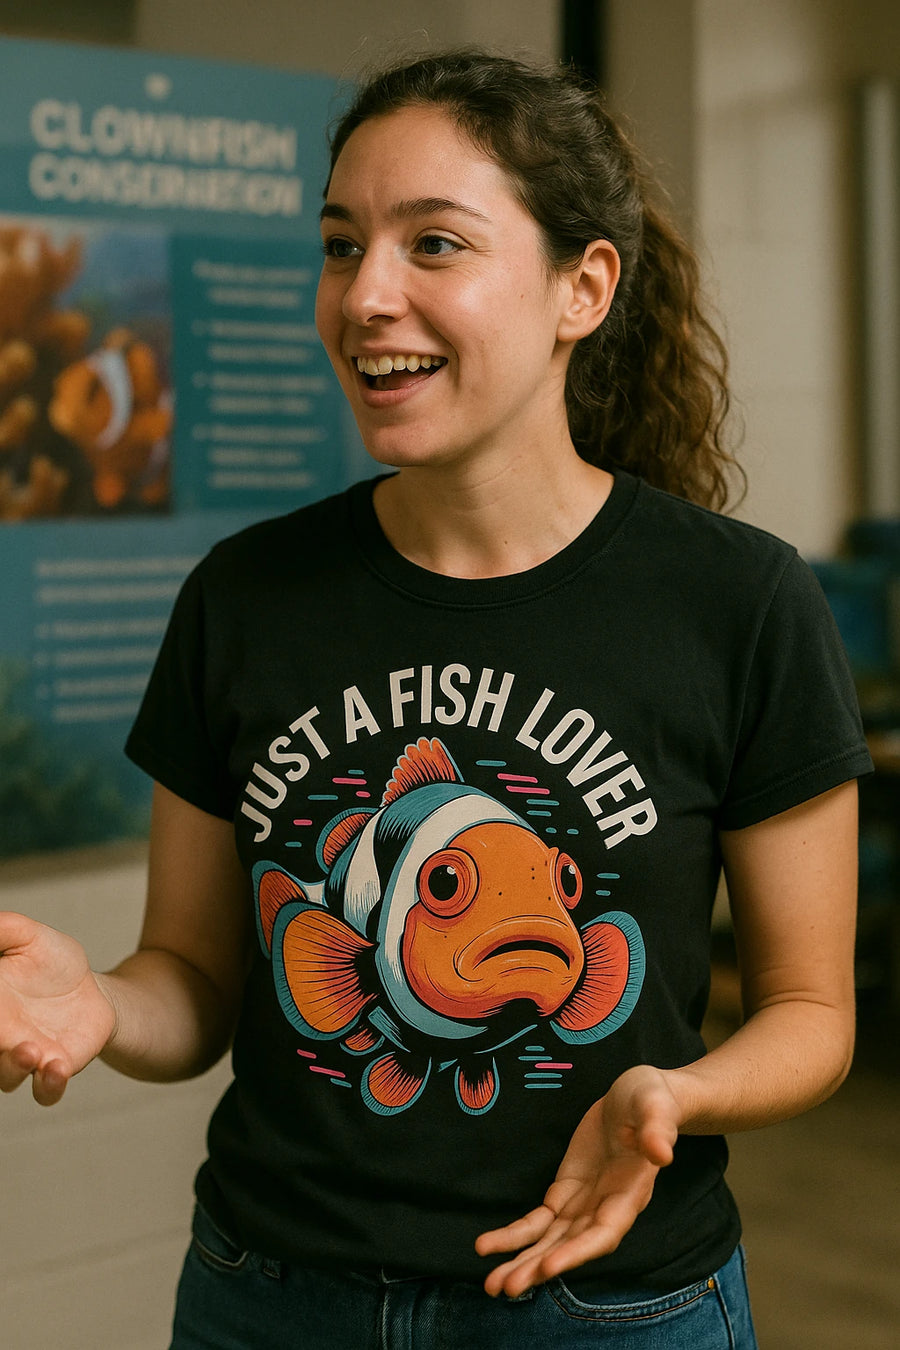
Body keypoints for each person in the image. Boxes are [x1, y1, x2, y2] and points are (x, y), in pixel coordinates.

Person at [0, 48, 872, 1350]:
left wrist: (675, 1092)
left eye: (436, 245)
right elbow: (192, 972)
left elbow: (812, 1012)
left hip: (609, 1296)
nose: (367, 296)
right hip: (270, 1293)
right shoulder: (245, 596)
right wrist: (102, 1004)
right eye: (341, 245)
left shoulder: (742, 603)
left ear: (585, 287)